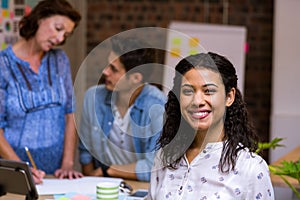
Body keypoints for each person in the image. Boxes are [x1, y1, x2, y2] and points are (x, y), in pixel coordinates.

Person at [148, 52, 274, 199]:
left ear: (229, 97)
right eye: (188, 91)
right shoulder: (164, 157)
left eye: (208, 91)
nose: (197, 101)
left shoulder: (251, 168)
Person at [0, 0, 83, 184]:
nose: (61, 38)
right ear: (39, 19)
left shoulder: (60, 60)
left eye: (66, 34)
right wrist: (20, 168)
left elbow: (70, 113)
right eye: (58, 28)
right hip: (15, 173)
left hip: (56, 174)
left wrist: (68, 163)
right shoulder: (3, 65)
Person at [78, 36, 166, 182]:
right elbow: (85, 151)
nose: (105, 72)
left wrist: (107, 171)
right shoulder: (93, 97)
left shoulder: (159, 107)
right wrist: (89, 184)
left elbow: (155, 165)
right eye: (108, 65)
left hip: (141, 186)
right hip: (103, 184)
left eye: (113, 69)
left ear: (136, 78)